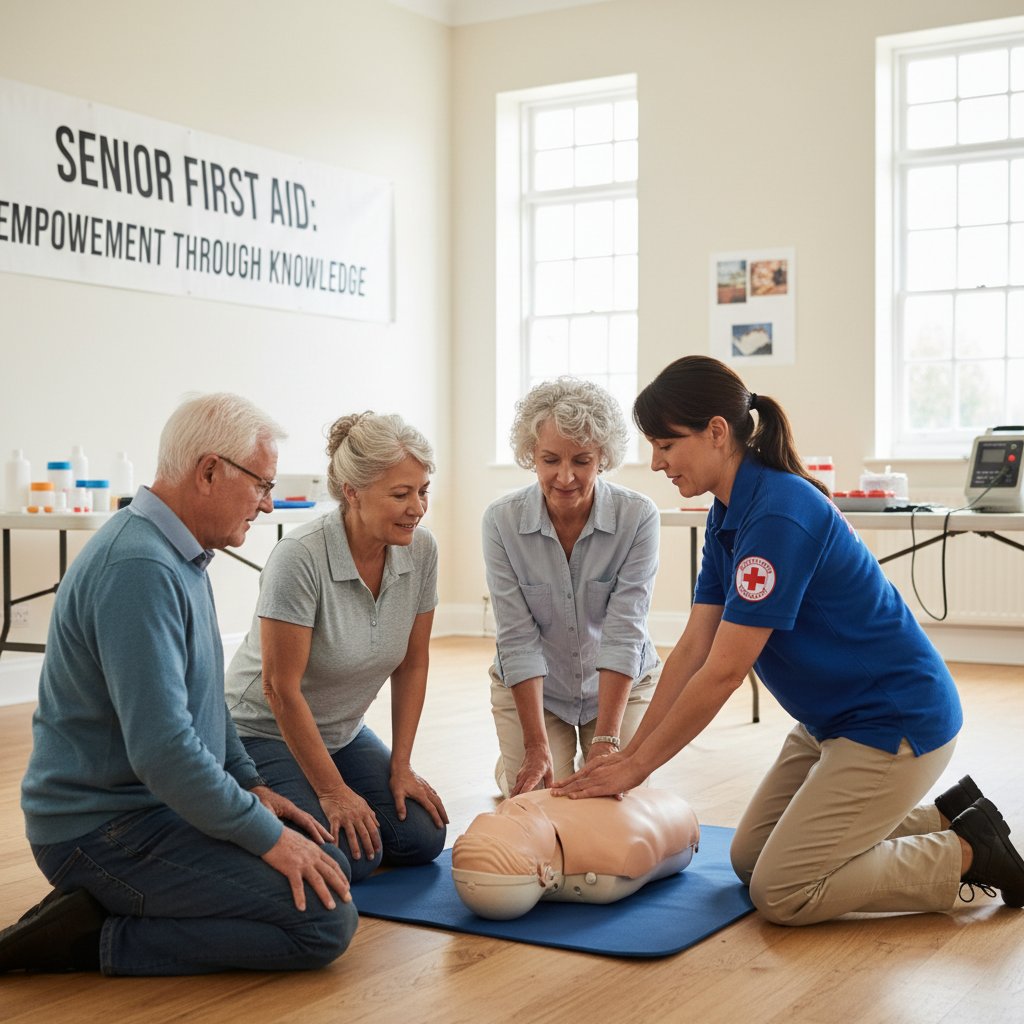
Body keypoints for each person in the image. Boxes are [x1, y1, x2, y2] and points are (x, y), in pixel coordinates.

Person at [553, 355, 1024, 924]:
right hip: (833, 722)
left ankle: (969, 852)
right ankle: (951, 818)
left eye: (665, 445)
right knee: (750, 858)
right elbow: (693, 650)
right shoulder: (731, 515)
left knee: (783, 891)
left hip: (894, 722)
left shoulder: (779, 514)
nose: (656, 463)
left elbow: (724, 673)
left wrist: (636, 770)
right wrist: (627, 756)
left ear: (717, 432)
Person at [2, 393, 355, 976]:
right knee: (323, 921)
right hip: (99, 830)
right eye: (262, 486)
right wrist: (264, 837)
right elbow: (163, 750)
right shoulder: (139, 568)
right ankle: (86, 939)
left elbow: (203, 700)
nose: (268, 506)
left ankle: (115, 909)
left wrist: (249, 785)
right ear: (210, 471)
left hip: (153, 808)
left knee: (329, 865)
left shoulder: (178, 554)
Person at [225, 412, 447, 884]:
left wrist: (402, 766)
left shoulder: (420, 550)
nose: (418, 507)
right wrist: (332, 792)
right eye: (401, 494)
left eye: (423, 490)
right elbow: (279, 688)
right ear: (352, 491)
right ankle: (231, 806)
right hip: (259, 732)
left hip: (341, 733)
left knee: (421, 839)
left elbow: (413, 664)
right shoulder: (300, 557)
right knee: (354, 857)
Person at [483, 377, 661, 798]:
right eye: (549, 460)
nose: (565, 477)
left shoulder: (638, 518)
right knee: (542, 797)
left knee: (618, 799)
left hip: (622, 688)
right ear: (531, 456)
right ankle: (516, 758)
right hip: (539, 696)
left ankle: (585, 743)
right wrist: (534, 745)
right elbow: (517, 637)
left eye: (581, 460)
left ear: (603, 459)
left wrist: (607, 743)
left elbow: (624, 631)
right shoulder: (501, 521)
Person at [452, 788, 699, 920]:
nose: (509, 807)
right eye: (519, 826)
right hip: (667, 811)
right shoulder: (607, 860)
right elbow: (639, 849)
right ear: (544, 875)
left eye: (499, 814)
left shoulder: (523, 805)